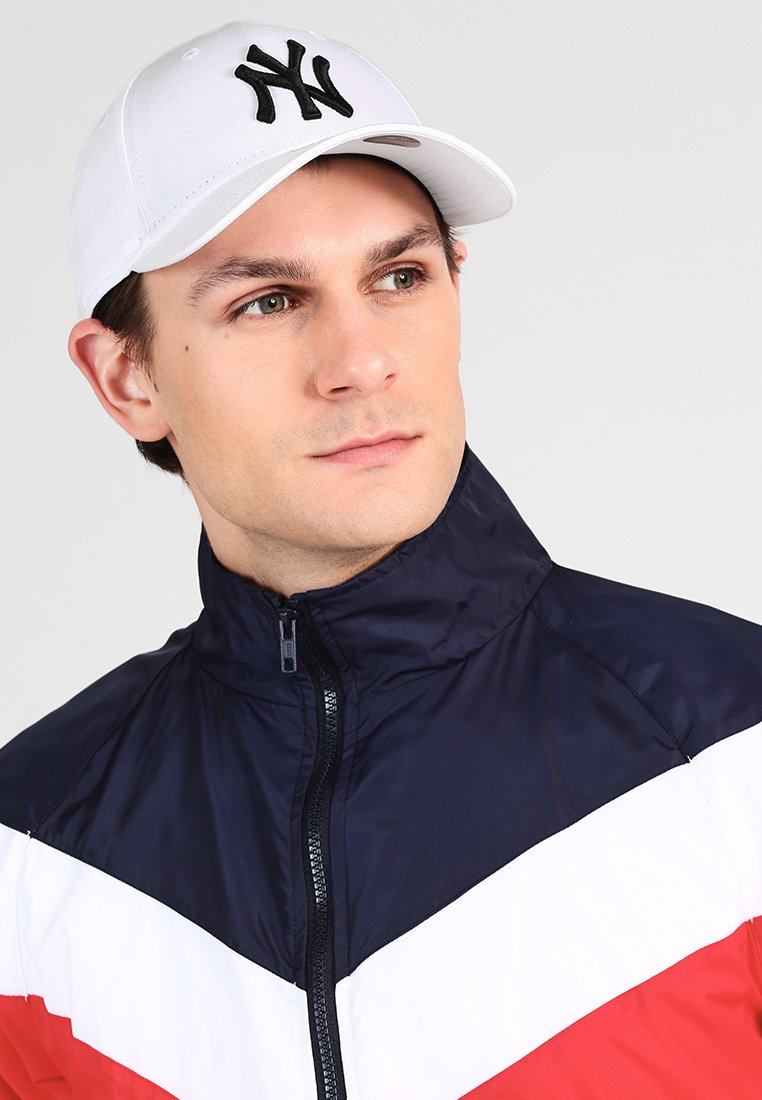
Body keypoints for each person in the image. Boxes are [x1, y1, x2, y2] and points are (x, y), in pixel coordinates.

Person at [1, 18, 760, 1100]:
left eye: (399, 277)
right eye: (268, 301)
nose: (361, 362)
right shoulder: (31, 850)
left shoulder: (735, 741)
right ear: (126, 377)